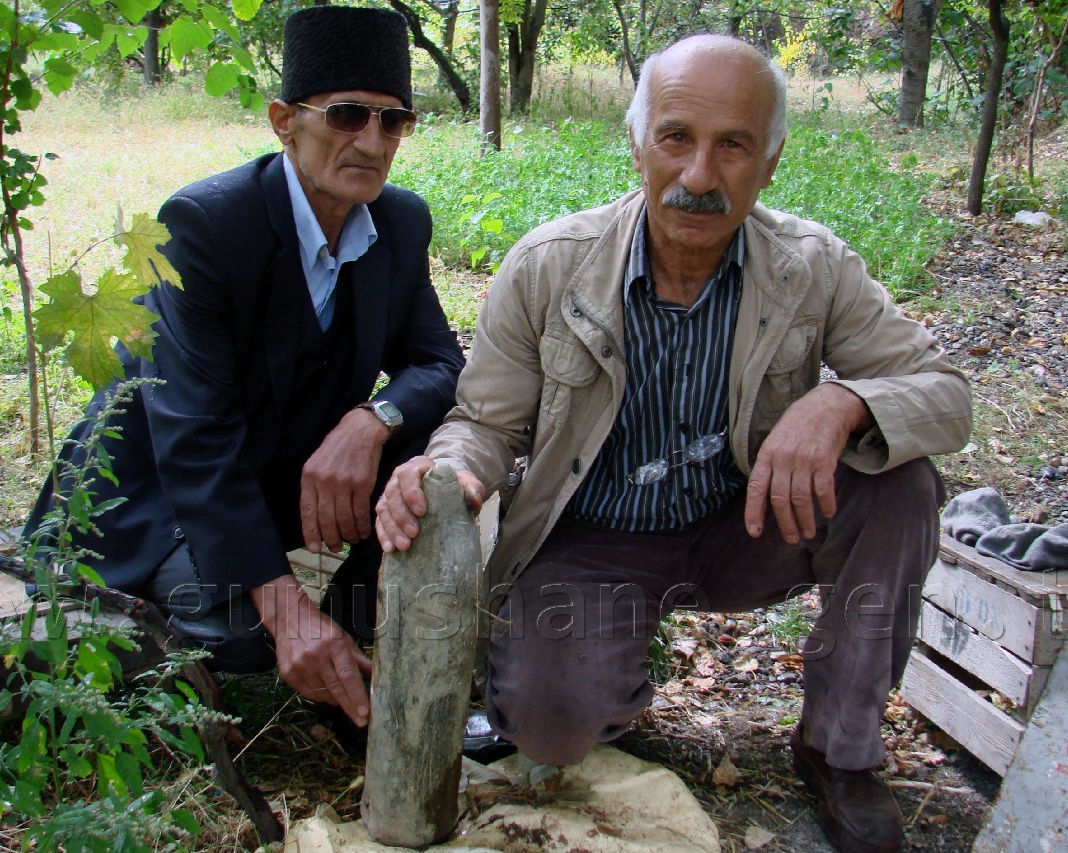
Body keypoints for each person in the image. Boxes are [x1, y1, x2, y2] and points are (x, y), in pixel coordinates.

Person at [375, 33, 971, 853]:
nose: (699, 177)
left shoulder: (813, 266)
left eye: (734, 146)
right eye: (676, 138)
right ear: (636, 143)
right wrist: (448, 471)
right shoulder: (550, 267)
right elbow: (485, 422)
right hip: (591, 542)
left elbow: (944, 394)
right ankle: (602, 672)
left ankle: (840, 752)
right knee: (550, 724)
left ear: (772, 163)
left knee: (899, 485)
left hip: (748, 524)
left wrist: (841, 402)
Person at [24, 5, 464, 731]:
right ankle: (288, 629)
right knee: (241, 634)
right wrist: (283, 605)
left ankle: (349, 633)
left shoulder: (399, 221)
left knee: (431, 456)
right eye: (348, 115)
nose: (372, 142)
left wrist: (370, 419)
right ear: (283, 121)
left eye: (395, 122)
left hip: (268, 467)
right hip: (149, 494)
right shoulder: (203, 225)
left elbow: (438, 363)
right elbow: (192, 438)